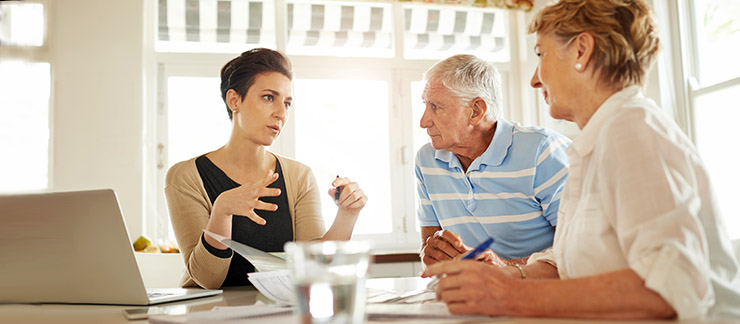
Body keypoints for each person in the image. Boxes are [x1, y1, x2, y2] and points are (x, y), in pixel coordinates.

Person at [423, 0, 740, 320]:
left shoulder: (632, 130)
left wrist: (509, 294)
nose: (534, 79)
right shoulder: (599, 141)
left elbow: (671, 288)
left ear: (581, 51)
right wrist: (507, 275)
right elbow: (570, 262)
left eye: (540, 54)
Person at [165, 48, 367, 289]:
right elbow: (208, 279)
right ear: (234, 100)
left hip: (279, 311)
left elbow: (315, 268)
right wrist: (222, 211)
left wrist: (347, 213)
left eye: (287, 103)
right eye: (269, 97)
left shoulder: (299, 176)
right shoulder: (186, 176)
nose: (281, 113)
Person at [416, 54, 570, 268]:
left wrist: (505, 268)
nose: (423, 121)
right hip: (470, 295)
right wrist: (431, 252)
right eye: (425, 105)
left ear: (476, 111)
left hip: (541, 293)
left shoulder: (543, 151)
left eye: (435, 107)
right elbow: (430, 246)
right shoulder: (427, 160)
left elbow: (578, 249)